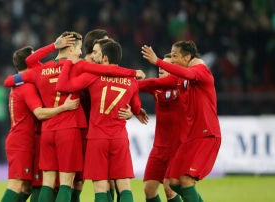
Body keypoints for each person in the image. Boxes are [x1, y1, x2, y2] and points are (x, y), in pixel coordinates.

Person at [3, 31, 145, 202]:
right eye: (78, 48)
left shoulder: (41, 70)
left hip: (48, 130)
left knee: (47, 183)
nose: (80, 52)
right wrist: (133, 74)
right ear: (72, 48)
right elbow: (107, 71)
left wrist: (53, 46)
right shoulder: (80, 68)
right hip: (75, 131)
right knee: (72, 183)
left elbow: (11, 80)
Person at [56, 38, 148, 202]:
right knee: (124, 185)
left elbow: (63, 86)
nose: (94, 56)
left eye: (98, 54)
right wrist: (134, 113)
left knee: (100, 187)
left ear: (105, 58)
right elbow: (135, 107)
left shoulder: (93, 77)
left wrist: (69, 63)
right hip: (119, 137)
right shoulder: (131, 81)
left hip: (97, 138)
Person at [141, 41, 221, 202]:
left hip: (206, 134)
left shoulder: (201, 70)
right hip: (191, 138)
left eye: (175, 56)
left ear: (187, 57)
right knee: (174, 182)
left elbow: (191, 75)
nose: (173, 60)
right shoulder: (179, 79)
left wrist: (158, 61)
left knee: (185, 180)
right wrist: (124, 81)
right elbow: (154, 83)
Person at [1, 45, 80, 202]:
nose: (39, 59)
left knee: (29, 186)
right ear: (28, 61)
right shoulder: (26, 87)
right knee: (17, 184)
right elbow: (39, 113)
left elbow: (9, 80)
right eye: (35, 56)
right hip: (21, 142)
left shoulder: (20, 83)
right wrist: (64, 107)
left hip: (29, 140)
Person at [137, 54, 185, 202]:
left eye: (166, 66)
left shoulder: (182, 85)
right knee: (149, 190)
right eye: (160, 66)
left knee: (168, 187)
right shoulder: (156, 87)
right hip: (159, 147)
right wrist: (135, 108)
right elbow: (135, 87)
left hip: (177, 146)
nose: (161, 68)